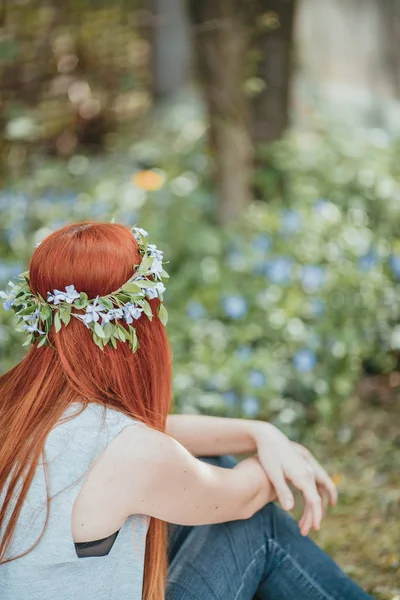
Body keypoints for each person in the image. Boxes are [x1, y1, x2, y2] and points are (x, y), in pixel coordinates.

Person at [0, 221, 374, 600]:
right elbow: (241, 497)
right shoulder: (131, 453)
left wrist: (261, 433)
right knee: (258, 525)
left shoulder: (15, 406)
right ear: (136, 325)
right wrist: (289, 455)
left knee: (214, 460)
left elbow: (148, 434)